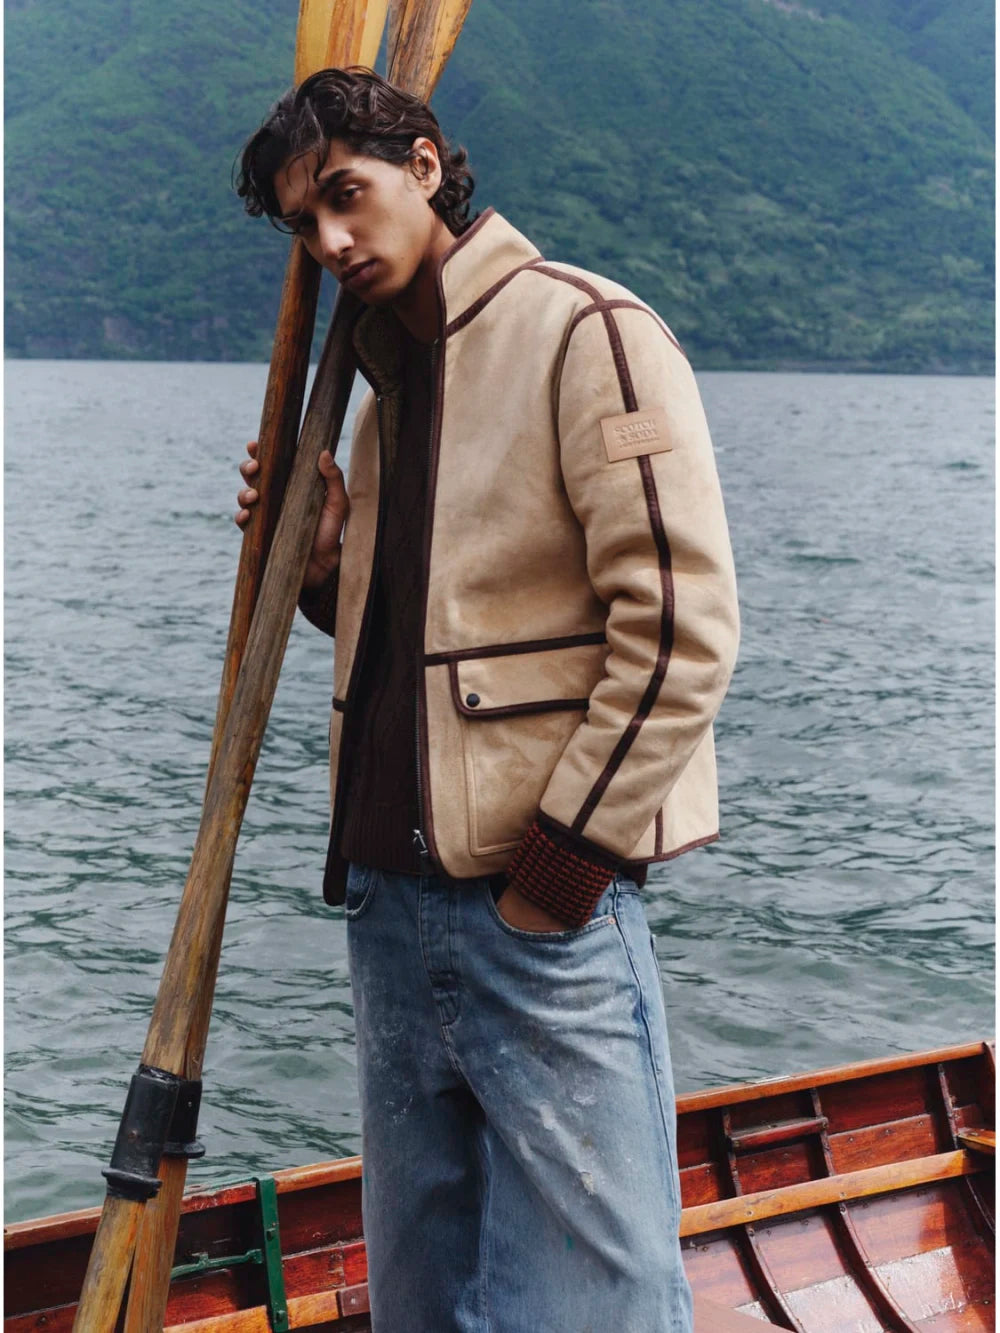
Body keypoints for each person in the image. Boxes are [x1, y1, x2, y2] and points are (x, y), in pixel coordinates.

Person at [235, 67, 738, 1333]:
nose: (332, 240)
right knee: (425, 1295)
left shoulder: (585, 331)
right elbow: (438, 642)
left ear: (424, 165)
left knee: (591, 1299)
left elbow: (678, 627)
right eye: (304, 223)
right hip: (389, 909)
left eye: (345, 197)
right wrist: (325, 572)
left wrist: (557, 872)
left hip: (538, 910)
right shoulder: (383, 393)